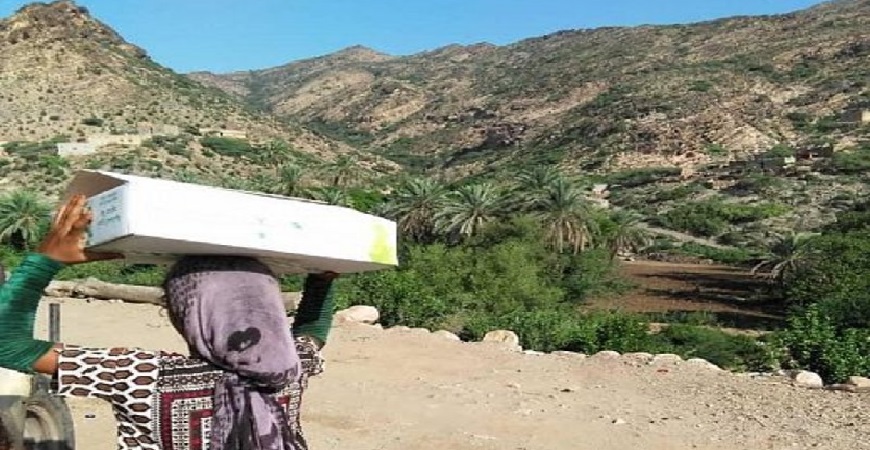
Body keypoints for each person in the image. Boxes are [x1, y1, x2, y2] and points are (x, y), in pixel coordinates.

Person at [0, 194, 337, 450]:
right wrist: (322, 279)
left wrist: (44, 261)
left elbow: (8, 346)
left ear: (181, 317)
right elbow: (312, 330)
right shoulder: (290, 370)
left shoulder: (141, 376)